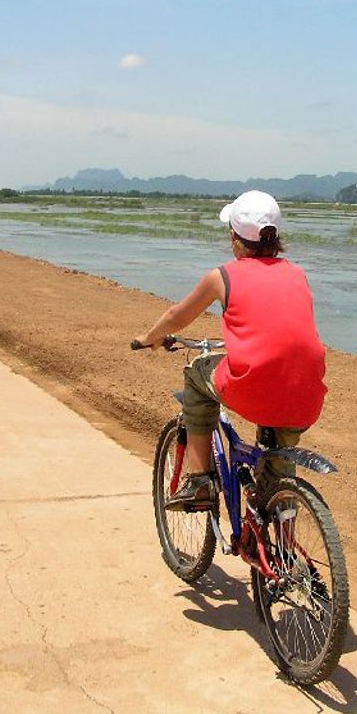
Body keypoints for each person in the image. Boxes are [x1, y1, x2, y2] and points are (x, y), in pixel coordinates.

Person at [133, 190, 327, 510]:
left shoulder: (221, 276)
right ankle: (282, 550)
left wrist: (148, 338)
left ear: (234, 237)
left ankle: (200, 482)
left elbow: (176, 316)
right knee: (278, 472)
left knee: (196, 373)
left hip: (252, 387)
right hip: (306, 394)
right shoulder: (297, 273)